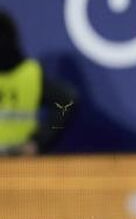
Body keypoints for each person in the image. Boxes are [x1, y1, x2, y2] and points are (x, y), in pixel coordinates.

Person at [0, 10, 78, 156]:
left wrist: (39, 141)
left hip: (19, 159)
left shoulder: (30, 73)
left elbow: (66, 104)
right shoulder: (30, 72)